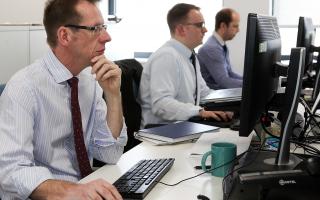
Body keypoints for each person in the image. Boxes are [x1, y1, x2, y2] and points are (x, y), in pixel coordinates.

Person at [0, 0, 126, 199]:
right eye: (95, 29)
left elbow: (110, 154)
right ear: (64, 36)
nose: (107, 37)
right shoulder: (24, 88)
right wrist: (73, 190)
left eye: (104, 27)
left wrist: (113, 95)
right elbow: (11, 172)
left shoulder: (89, 82)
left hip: (84, 189)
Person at [139, 3, 232, 128]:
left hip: (184, 127)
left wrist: (229, 103)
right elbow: (161, 104)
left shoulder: (189, 55)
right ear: (181, 29)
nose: (205, 30)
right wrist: (199, 112)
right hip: (162, 132)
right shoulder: (166, 57)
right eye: (200, 25)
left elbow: (204, 93)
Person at [197, 8, 242, 89]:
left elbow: (230, 73)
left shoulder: (221, 45)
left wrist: (249, 80)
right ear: (223, 26)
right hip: (213, 97)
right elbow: (224, 82)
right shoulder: (212, 48)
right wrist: (251, 84)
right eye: (235, 26)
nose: (238, 30)